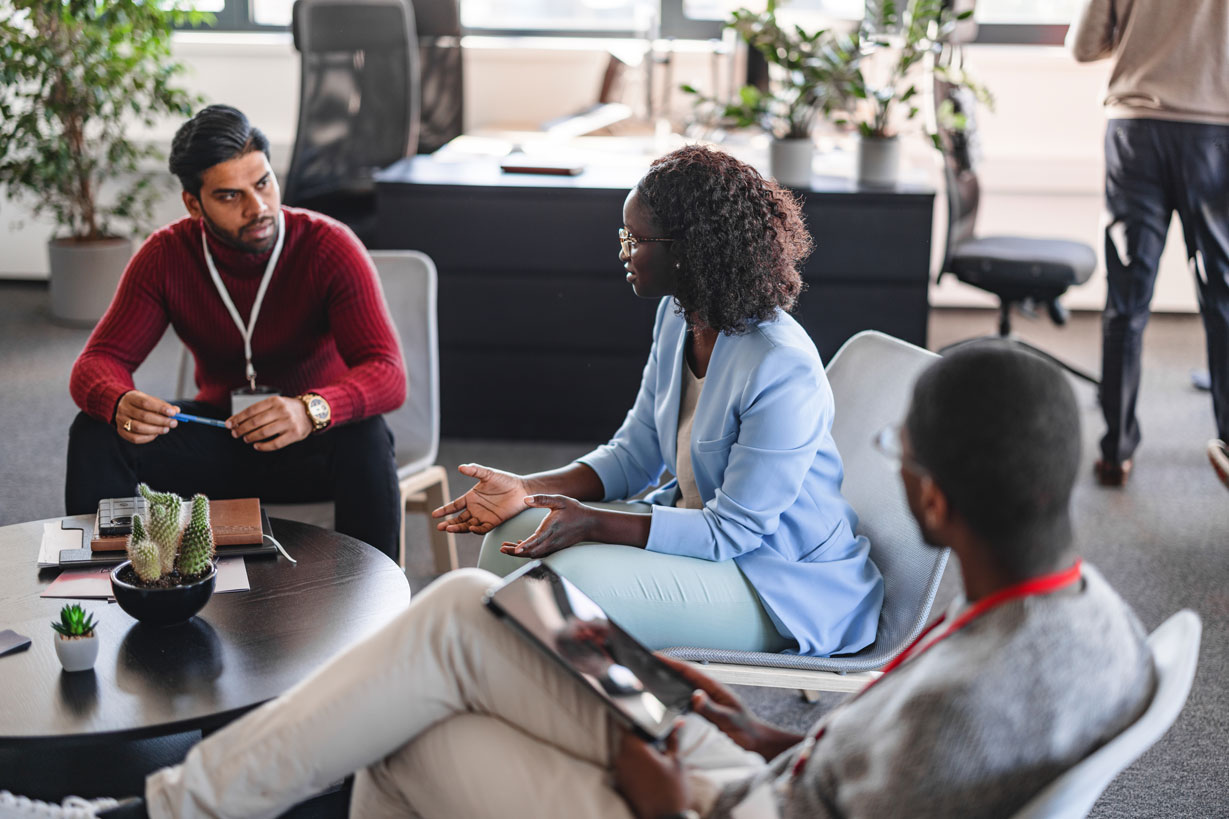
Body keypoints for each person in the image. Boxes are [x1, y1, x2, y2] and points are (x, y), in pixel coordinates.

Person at [1, 342, 1158, 819]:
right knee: (459, 609)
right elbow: (874, 759)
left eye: (900, 464)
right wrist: (754, 738)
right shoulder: (1079, 613)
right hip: (754, 768)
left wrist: (666, 791)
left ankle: (147, 815)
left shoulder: (973, 708)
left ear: (934, 502)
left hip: (700, 809)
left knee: (404, 735)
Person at [432, 145, 883, 657]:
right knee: (508, 539)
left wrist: (594, 520)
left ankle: (578, 721)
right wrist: (526, 489)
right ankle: (521, 703)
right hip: (705, 540)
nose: (624, 251)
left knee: (568, 587)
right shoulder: (680, 316)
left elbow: (733, 531)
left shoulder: (781, 365)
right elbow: (635, 453)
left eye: (636, 239)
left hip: (779, 581)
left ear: (691, 249)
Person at [64, 105, 407, 560]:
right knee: (96, 429)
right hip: (219, 436)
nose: (258, 207)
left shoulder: (329, 246)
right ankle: (109, 588)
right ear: (193, 203)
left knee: (366, 435)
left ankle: (375, 604)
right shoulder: (166, 255)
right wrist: (118, 401)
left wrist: (310, 410)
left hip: (309, 443)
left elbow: (387, 372)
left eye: (263, 183)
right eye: (230, 196)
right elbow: (96, 363)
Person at [1067, 0, 1229, 487]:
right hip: (1216, 131)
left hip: (1135, 130)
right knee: (1222, 295)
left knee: (1127, 297)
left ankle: (1116, 449)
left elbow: (1084, 46)